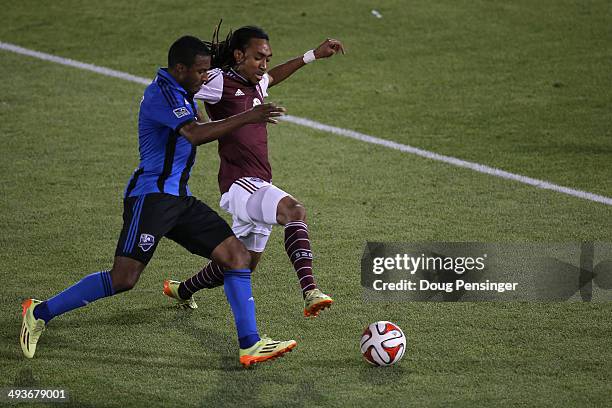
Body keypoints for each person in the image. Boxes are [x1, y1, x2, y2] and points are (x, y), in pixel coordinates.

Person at [20, 35, 295, 367]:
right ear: (179, 69)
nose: (204, 77)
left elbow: (207, 126)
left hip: (179, 200)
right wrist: (249, 117)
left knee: (236, 256)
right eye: (199, 71)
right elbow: (195, 134)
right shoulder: (162, 94)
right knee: (124, 278)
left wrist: (230, 98)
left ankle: (250, 344)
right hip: (149, 198)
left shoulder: (182, 89)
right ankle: (39, 311)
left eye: (208, 70)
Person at [162, 26, 344, 317]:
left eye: (267, 58)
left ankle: (181, 290)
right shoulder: (219, 81)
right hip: (239, 183)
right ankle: (311, 291)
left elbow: (274, 77)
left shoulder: (258, 82)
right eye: (258, 58)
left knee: (240, 264)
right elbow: (182, 85)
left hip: (259, 182)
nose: (264, 65)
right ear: (239, 55)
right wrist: (196, 116)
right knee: (294, 211)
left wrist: (313, 55)